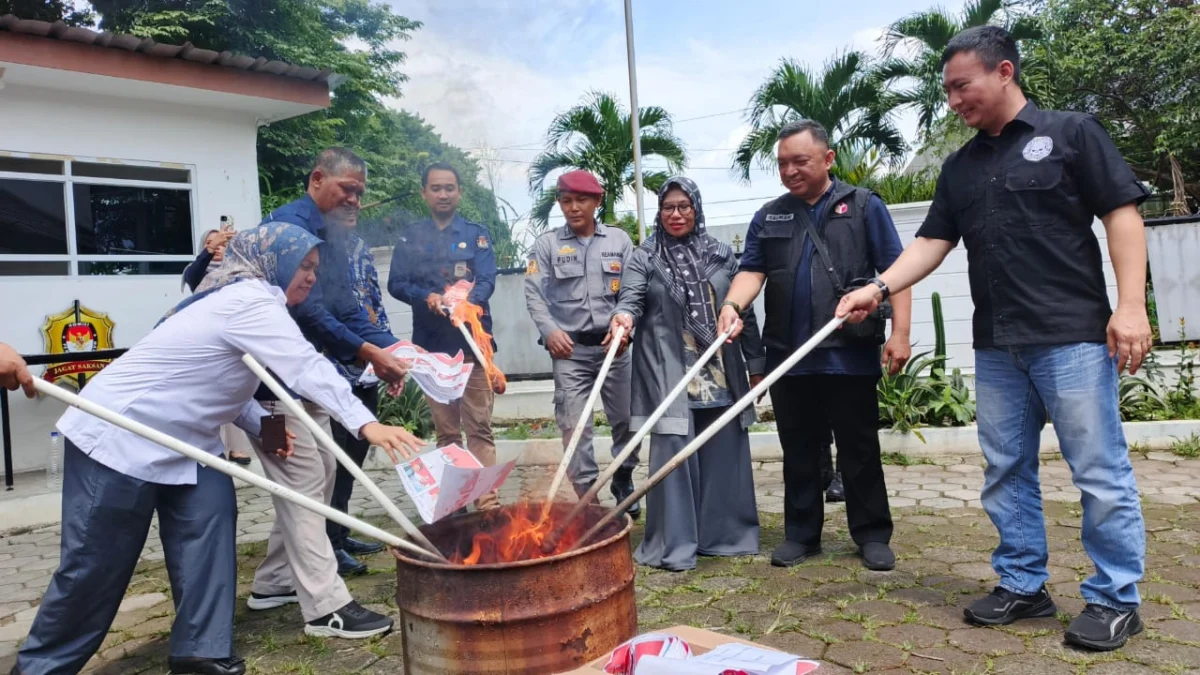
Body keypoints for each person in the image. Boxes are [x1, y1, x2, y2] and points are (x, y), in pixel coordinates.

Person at [835, 26, 1150, 651]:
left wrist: (1132, 306)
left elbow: (1121, 213)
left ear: (1003, 72)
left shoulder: (1070, 134)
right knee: (1006, 469)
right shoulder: (961, 166)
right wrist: (877, 286)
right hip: (997, 344)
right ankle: (1024, 584)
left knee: (1098, 472)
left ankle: (1116, 598)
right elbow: (930, 243)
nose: (953, 100)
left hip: (1072, 338)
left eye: (961, 86)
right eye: (947, 90)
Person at [12, 223, 424, 675]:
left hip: (188, 440)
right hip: (118, 433)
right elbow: (304, 367)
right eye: (303, 266)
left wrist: (262, 424)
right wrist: (365, 423)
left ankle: (200, 650)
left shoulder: (247, 304)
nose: (310, 276)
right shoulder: (249, 298)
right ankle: (40, 667)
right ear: (274, 262)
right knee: (94, 564)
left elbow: (220, 380)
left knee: (208, 528)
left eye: (314, 269)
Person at [718, 119, 913, 572]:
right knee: (799, 449)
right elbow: (751, 270)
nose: (789, 170)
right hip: (790, 355)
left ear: (828, 159)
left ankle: (871, 534)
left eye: (799, 161)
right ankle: (801, 535)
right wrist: (732, 305)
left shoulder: (864, 206)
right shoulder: (770, 215)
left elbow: (897, 271)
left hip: (848, 353)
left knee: (858, 447)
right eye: (782, 163)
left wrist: (900, 333)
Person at [243, 148, 410, 639]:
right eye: (347, 189)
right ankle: (325, 606)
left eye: (360, 191)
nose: (355, 199)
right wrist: (370, 353)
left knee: (321, 473)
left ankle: (273, 582)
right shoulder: (289, 230)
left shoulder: (332, 235)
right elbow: (312, 313)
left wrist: (395, 348)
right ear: (317, 179)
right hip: (269, 386)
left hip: (306, 375)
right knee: (301, 481)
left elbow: (343, 308)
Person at [611, 176, 765, 571]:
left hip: (720, 369)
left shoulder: (720, 255)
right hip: (669, 372)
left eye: (684, 206)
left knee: (723, 451)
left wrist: (756, 367)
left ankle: (725, 536)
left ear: (696, 208)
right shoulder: (645, 256)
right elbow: (630, 298)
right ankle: (674, 543)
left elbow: (742, 309)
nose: (676, 215)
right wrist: (622, 319)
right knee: (673, 458)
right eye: (668, 208)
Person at [524, 169, 640, 514]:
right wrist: (550, 331)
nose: (573, 207)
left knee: (627, 419)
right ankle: (587, 497)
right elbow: (533, 293)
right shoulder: (545, 245)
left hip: (614, 349)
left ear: (597, 202)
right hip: (569, 351)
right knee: (574, 426)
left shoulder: (619, 242)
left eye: (582, 200)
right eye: (566, 200)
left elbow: (632, 292)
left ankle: (623, 476)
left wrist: (626, 330)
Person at [388, 162, 500, 510]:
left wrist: (465, 303)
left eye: (449, 187)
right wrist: (428, 298)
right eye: (435, 188)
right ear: (424, 193)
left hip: (472, 348)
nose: (443, 194)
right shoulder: (410, 237)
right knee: (447, 432)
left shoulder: (476, 233)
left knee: (479, 428)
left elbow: (486, 280)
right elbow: (396, 283)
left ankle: (487, 502)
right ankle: (453, 503)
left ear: (459, 192)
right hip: (432, 351)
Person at [324, 216, 394, 577]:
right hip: (331, 368)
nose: (350, 209)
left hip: (366, 370)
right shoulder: (316, 247)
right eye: (343, 201)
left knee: (354, 457)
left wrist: (392, 355)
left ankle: (341, 533)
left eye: (356, 202)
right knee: (334, 462)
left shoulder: (359, 249)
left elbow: (374, 306)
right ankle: (329, 545)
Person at [183, 228, 254, 467]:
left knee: (236, 393)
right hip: (207, 342)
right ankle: (216, 450)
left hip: (235, 340)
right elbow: (193, 275)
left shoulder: (238, 273)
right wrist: (210, 249)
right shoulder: (197, 273)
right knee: (212, 394)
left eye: (222, 244)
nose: (217, 249)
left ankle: (238, 449)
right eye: (211, 244)